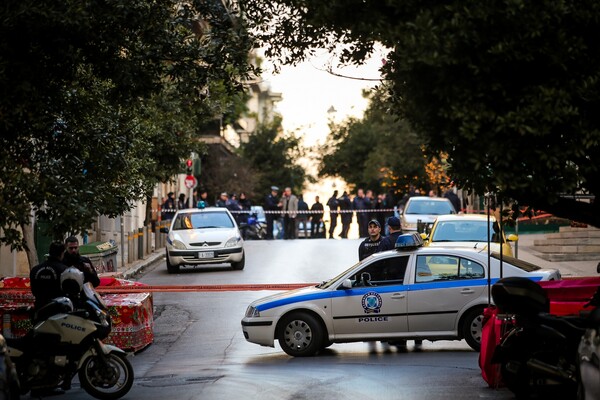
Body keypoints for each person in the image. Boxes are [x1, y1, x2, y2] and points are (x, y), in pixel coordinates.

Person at [30, 241, 68, 310]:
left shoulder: (35, 269)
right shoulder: (64, 270)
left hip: (40, 307)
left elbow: (34, 290)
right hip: (57, 309)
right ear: (62, 253)